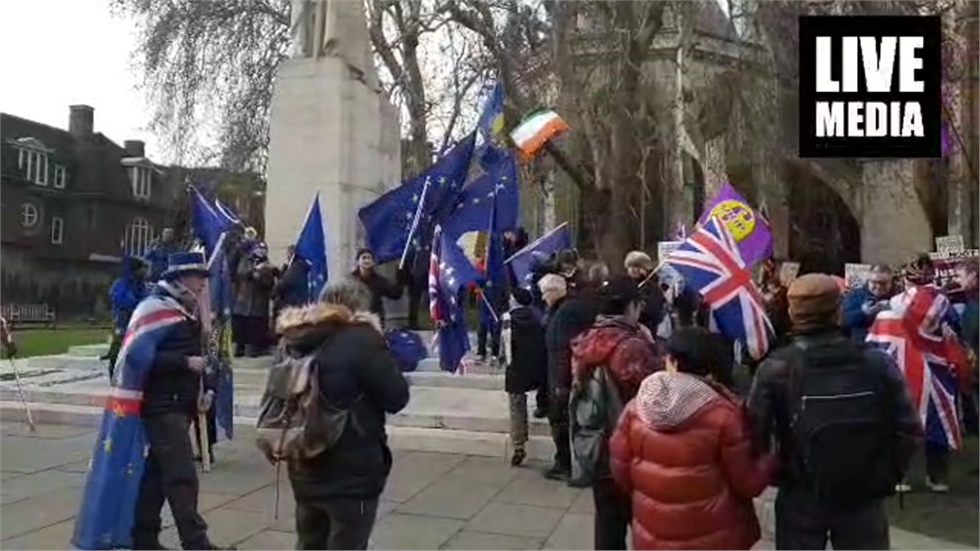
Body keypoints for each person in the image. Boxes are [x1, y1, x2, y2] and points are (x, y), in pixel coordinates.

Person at [748, 273, 921, 550]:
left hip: (801, 488)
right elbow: (909, 429)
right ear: (838, 311)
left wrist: (776, 471)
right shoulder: (877, 362)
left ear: (793, 313)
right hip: (863, 489)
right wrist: (887, 474)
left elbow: (754, 434)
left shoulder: (775, 368)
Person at [610, 326, 774, 550]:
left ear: (672, 362)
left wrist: (651, 495)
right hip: (712, 535)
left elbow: (620, 471)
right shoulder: (725, 417)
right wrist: (772, 458)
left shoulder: (635, 408)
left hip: (654, 532)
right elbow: (747, 483)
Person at [276, 278, 410, 550]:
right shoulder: (362, 338)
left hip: (303, 460)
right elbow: (396, 397)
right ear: (357, 306)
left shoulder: (294, 337)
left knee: (309, 541)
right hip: (351, 467)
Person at [131, 252, 229, 550]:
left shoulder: (192, 310)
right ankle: (196, 543)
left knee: (156, 476)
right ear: (180, 278)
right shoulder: (153, 309)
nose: (202, 283)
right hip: (161, 405)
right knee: (182, 476)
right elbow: (138, 358)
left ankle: (143, 539)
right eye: (198, 277)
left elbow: (208, 355)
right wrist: (184, 362)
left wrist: (209, 388)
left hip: (182, 403)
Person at [570, 276, 662, 549]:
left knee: (607, 525)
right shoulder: (631, 348)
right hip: (630, 451)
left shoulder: (587, 340)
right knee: (646, 526)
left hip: (597, 446)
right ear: (631, 306)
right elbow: (656, 395)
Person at [538, 273, 596, 482]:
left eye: (544, 293)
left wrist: (561, 383)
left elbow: (563, 349)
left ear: (554, 292)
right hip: (565, 375)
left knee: (562, 421)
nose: (543, 298)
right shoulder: (565, 308)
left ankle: (567, 465)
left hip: (563, 378)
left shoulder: (565, 313)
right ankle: (569, 464)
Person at [501, 287, 548, 466]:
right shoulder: (538, 317)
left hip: (516, 368)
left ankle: (519, 445)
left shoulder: (508, 319)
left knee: (516, 406)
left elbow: (504, 345)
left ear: (515, 300)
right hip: (538, 365)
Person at [105, 257, 149, 379]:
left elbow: (146, 299)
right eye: (142, 269)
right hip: (122, 322)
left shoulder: (141, 285)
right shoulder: (121, 284)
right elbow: (118, 299)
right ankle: (114, 374)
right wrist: (135, 304)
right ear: (136, 270)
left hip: (137, 322)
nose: (145, 272)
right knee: (118, 348)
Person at [233, 242, 277, 357]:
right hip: (244, 300)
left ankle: (255, 349)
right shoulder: (246, 260)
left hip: (258, 301)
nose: (261, 252)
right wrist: (254, 270)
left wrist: (262, 275)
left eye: (264, 250)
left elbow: (269, 282)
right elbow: (241, 273)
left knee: (256, 327)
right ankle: (240, 349)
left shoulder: (267, 264)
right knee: (241, 326)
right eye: (259, 249)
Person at [842, 264, 896, 343]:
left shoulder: (898, 296)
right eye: (874, 282)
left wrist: (893, 309)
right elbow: (843, 320)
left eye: (883, 283)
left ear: (891, 282)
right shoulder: (855, 295)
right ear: (868, 281)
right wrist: (863, 313)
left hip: (890, 343)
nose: (878, 287)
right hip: (862, 345)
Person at [350, 248, 403, 326]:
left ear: (373, 262)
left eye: (369, 258)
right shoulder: (350, 281)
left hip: (375, 321)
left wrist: (400, 276)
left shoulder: (379, 280)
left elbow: (395, 294)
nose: (366, 261)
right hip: (356, 319)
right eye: (364, 258)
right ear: (358, 261)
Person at [624, 251, 667, 337]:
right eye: (630, 266)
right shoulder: (624, 284)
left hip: (646, 331)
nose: (633, 270)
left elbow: (653, 311)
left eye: (636, 266)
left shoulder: (652, 288)